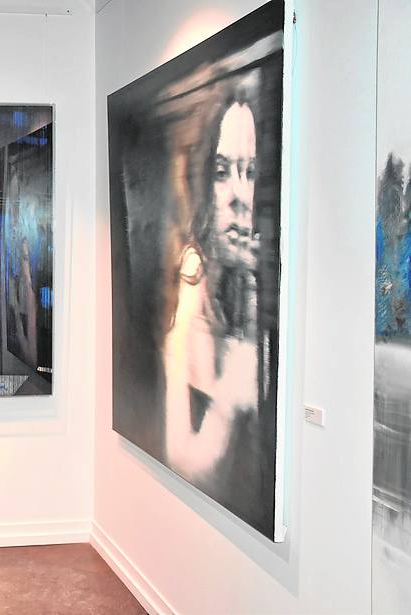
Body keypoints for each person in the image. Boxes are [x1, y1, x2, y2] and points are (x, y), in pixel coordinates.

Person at [163, 95, 261, 481]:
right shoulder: (196, 267)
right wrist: (227, 400)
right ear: (204, 181)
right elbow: (184, 456)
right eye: (223, 172)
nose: (240, 195)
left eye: (251, 171)